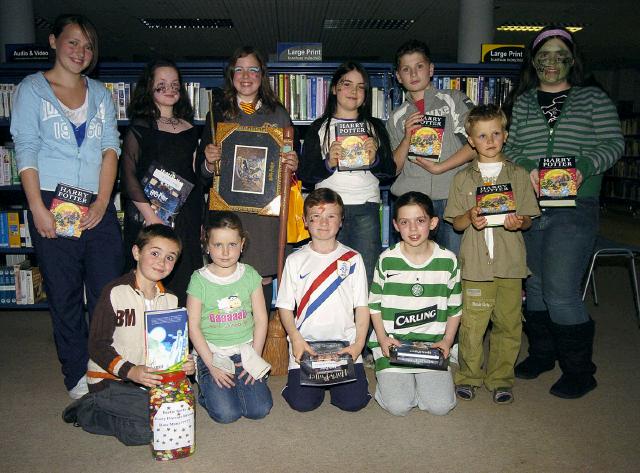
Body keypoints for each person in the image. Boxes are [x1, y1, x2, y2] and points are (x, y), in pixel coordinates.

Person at [502, 27, 624, 399]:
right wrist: (528, 169)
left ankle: (580, 370)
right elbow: (512, 149)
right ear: (533, 60)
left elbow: (614, 143)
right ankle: (543, 354)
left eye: (560, 55)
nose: (551, 62)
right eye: (544, 55)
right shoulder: (522, 102)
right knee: (535, 285)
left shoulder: (593, 99)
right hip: (532, 205)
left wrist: (583, 166)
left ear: (572, 59)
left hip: (576, 205)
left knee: (560, 291)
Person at [10, 14, 123, 399]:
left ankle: (107, 367)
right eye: (73, 42)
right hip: (49, 203)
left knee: (108, 292)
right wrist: (37, 209)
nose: (81, 52)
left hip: (97, 203)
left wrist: (104, 201)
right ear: (54, 41)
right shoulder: (31, 90)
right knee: (64, 293)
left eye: (88, 46)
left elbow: (111, 148)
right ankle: (76, 374)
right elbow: (25, 148)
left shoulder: (102, 94)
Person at [62, 224, 195, 446]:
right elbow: (97, 345)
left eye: (170, 257)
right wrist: (130, 371)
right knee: (149, 430)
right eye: (155, 253)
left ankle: (131, 407)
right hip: (110, 380)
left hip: (148, 380)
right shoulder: (115, 292)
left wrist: (184, 363)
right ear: (136, 252)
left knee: (182, 410)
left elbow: (171, 346)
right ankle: (88, 408)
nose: (162, 262)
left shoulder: (171, 300)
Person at [444, 105, 540, 404]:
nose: (490, 140)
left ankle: (500, 378)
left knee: (509, 324)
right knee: (472, 325)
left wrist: (518, 222)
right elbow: (456, 223)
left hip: (510, 265)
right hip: (475, 266)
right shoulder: (463, 179)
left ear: (505, 135)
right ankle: (470, 376)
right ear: (471, 141)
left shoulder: (519, 175)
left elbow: (528, 217)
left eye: (496, 133)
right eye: (482, 135)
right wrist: (470, 216)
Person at [198, 46, 298, 312]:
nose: (246, 76)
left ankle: (259, 348)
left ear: (261, 75)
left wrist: (292, 164)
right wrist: (209, 161)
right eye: (239, 69)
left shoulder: (278, 114)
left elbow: (286, 164)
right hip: (228, 212)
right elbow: (202, 174)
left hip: (264, 216)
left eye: (253, 69)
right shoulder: (216, 113)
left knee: (259, 284)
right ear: (231, 76)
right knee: (227, 280)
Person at [298, 61, 395, 287]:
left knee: (366, 275)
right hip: (326, 210)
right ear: (334, 88)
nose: (354, 91)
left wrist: (375, 160)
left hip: (365, 207)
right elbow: (306, 174)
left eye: (361, 87)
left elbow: (389, 171)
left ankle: (363, 324)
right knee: (327, 275)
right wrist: (328, 163)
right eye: (347, 84)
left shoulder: (375, 127)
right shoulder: (319, 127)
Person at [276, 188, 371, 412]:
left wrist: (358, 344)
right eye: (316, 217)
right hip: (306, 345)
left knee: (353, 403)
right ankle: (295, 384)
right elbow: (284, 306)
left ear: (341, 221)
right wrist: (296, 339)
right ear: (305, 222)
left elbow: (362, 307)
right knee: (302, 404)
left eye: (331, 216)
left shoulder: (353, 258)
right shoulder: (295, 260)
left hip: (345, 346)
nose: (324, 222)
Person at [368, 191, 460, 416]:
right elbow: (374, 305)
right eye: (404, 222)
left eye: (420, 221)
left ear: (433, 222)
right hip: (393, 344)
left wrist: (447, 341)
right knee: (399, 407)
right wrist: (382, 339)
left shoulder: (448, 260)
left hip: (431, 346)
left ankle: (423, 383)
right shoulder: (387, 259)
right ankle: (395, 383)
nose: (413, 229)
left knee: (441, 407)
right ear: (395, 226)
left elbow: (455, 308)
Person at [121, 59, 203, 306]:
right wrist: (151, 217)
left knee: (186, 282)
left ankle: (183, 341)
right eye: (162, 85)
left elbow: (195, 178)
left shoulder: (191, 129)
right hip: (150, 216)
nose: (170, 89)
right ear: (149, 88)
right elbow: (128, 175)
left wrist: (200, 221)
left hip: (185, 218)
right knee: (149, 281)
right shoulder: (140, 127)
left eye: (175, 84)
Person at [386, 39, 477, 255]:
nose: (414, 74)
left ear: (431, 69)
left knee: (454, 263)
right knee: (413, 264)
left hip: (453, 197)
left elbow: (476, 145)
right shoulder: (397, 116)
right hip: (412, 202)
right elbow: (393, 169)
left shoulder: (454, 100)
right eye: (406, 69)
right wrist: (407, 137)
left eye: (419, 66)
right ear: (398, 77)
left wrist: (440, 167)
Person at [186, 211, 272, 423]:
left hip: (245, 352)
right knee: (227, 414)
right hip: (212, 354)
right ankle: (205, 391)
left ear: (242, 244)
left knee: (259, 410)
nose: (225, 252)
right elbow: (193, 326)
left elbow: (261, 319)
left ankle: (235, 387)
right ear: (207, 244)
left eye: (232, 244)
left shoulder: (250, 274)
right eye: (218, 245)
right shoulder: (199, 279)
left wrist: (255, 357)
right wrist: (211, 364)